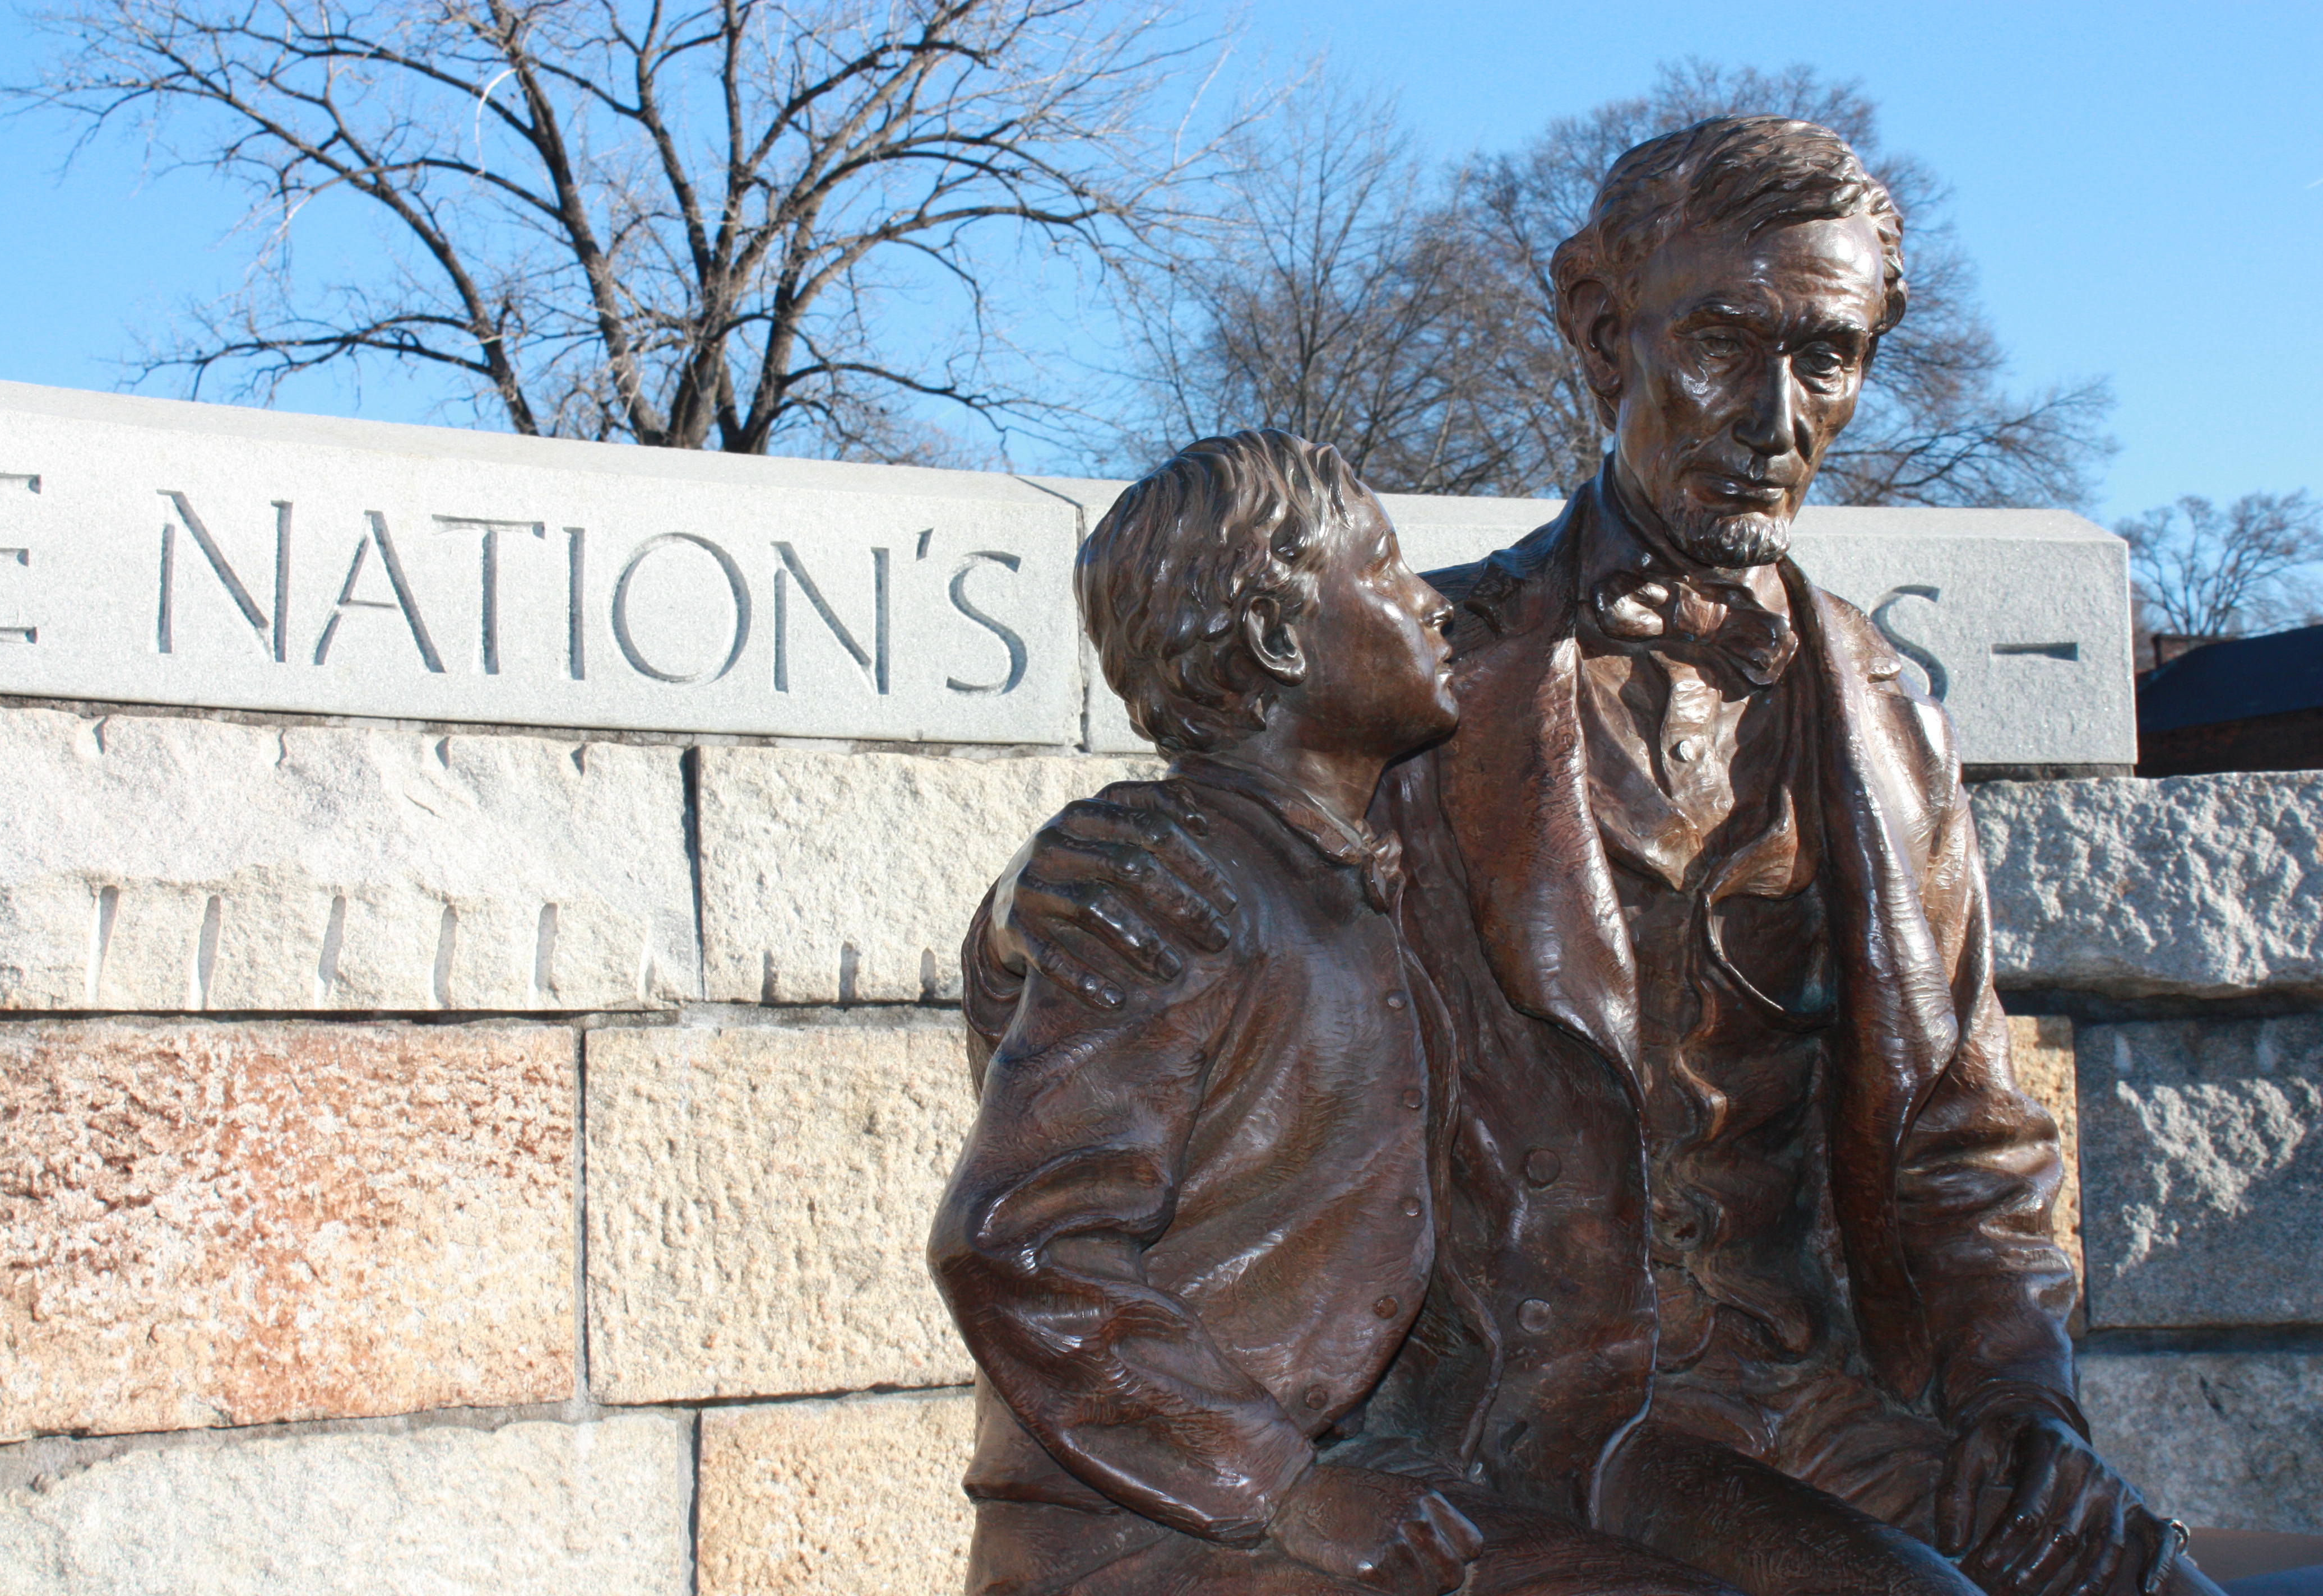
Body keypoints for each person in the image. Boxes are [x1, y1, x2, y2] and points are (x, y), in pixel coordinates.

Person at [958, 119, 2221, 1596]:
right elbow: (1187, 894)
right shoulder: (1417, 678)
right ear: (1603, 331)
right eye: (1723, 342)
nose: (1775, 417)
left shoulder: (1890, 722)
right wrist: (1026, 910)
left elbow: (1965, 1142)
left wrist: (2022, 1410)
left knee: (2149, 1584)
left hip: (1833, 1404)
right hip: (1554, 1421)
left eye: (1828, 356)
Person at [931, 430, 1736, 1596]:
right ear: (1276, 634)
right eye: (1388, 568)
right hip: (1147, 1534)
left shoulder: (1340, 869)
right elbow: (1016, 1243)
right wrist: (1287, 1488)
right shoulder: (1168, 884)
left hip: (1352, 1472)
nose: (1434, 605)